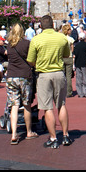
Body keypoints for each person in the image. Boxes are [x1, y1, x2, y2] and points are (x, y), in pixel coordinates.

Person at [27, 14, 72, 148]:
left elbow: (30, 60)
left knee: (47, 108)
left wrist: (39, 64)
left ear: (40, 26)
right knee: (61, 104)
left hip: (44, 75)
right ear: (53, 25)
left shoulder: (36, 40)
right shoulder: (62, 38)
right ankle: (65, 136)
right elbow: (66, 55)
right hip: (59, 73)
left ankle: (53, 138)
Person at [6, 23, 38, 145]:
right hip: (24, 75)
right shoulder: (26, 43)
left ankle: (14, 134)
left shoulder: (9, 45)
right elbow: (31, 59)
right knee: (26, 104)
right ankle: (29, 131)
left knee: (14, 105)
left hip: (11, 76)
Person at [73, 31, 86, 98]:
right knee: (85, 78)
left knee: (78, 78)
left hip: (78, 63)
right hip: (84, 62)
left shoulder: (76, 45)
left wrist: (73, 64)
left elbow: (74, 55)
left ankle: (80, 93)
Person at [62, 24, 75, 97]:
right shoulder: (70, 39)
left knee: (62, 75)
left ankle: (62, 91)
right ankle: (69, 92)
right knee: (68, 76)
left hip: (62, 57)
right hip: (69, 57)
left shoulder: (61, 38)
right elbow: (72, 48)